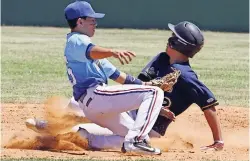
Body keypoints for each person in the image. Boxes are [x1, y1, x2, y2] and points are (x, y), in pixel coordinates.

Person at [26, 20, 224, 151]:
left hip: (151, 128)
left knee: (97, 137)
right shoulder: (161, 60)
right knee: (80, 103)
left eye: (172, 38)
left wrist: (218, 141)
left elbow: (209, 106)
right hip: (130, 111)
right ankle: (52, 126)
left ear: (177, 44)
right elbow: (138, 85)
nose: (168, 40)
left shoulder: (188, 77)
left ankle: (74, 138)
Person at [61, 0, 166, 155]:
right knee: (155, 93)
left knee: (144, 137)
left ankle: (86, 138)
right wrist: (113, 52)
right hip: (95, 95)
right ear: (80, 21)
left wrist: (146, 84)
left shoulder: (85, 48)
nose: (95, 24)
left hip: (95, 104)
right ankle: (134, 142)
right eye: (92, 20)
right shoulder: (76, 39)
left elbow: (119, 77)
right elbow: (92, 51)